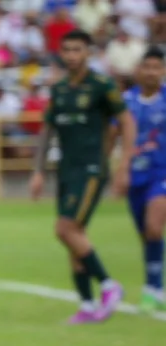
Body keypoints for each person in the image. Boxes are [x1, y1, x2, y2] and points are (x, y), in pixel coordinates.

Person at [30, 30, 135, 324]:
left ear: (87, 53)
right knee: (75, 237)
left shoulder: (101, 86)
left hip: (90, 170)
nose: (72, 56)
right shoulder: (59, 89)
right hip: (66, 169)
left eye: (77, 50)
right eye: (67, 50)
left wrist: (124, 163)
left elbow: (127, 121)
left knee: (65, 229)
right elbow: (48, 130)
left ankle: (108, 285)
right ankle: (87, 306)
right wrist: (37, 172)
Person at [123, 48, 166, 313]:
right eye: (146, 66)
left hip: (161, 174)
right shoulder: (126, 101)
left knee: (153, 227)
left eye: (156, 67)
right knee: (146, 235)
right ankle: (156, 285)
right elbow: (113, 134)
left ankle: (152, 289)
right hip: (134, 175)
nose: (151, 72)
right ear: (139, 70)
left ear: (162, 71)